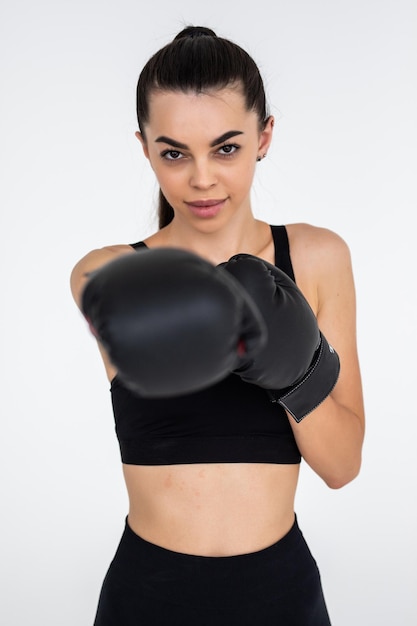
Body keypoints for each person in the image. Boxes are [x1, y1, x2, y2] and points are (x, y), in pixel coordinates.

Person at [70, 26, 365, 625]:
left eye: (226, 148)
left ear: (264, 137)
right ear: (145, 148)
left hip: (282, 595)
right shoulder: (107, 272)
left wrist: (297, 373)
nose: (201, 178)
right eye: (174, 152)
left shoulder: (318, 258)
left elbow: (342, 466)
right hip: (150, 596)